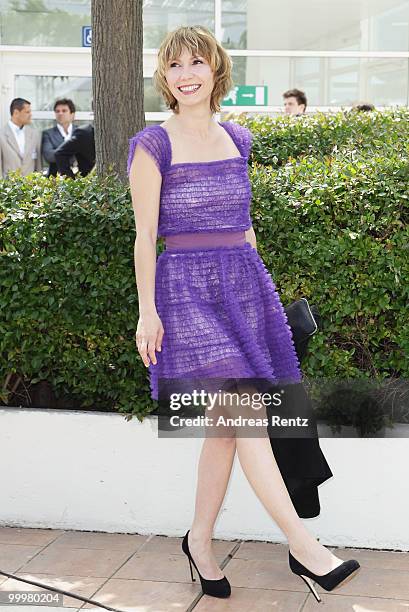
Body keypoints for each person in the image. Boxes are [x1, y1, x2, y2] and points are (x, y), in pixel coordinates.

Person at [128, 25, 360, 602]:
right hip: (185, 295)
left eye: (197, 62)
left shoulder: (239, 138)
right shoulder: (151, 145)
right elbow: (144, 237)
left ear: (215, 70)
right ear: (165, 75)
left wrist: (264, 299)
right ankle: (305, 549)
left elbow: (245, 225)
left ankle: (199, 541)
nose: (187, 73)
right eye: (175, 64)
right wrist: (146, 314)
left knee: (227, 431)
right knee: (246, 416)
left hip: (242, 289)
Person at [0, 97, 42, 178]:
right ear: (16, 113)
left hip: (31, 187)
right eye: (27, 112)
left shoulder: (34, 134)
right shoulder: (1, 135)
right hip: (8, 188)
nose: (30, 115)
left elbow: (38, 165)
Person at [41, 98, 77, 177]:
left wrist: (60, 153)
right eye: (57, 111)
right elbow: (49, 156)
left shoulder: (79, 132)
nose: (60, 113)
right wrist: (73, 153)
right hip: (55, 180)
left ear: (72, 114)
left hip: (80, 179)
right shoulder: (48, 134)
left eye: (64, 111)